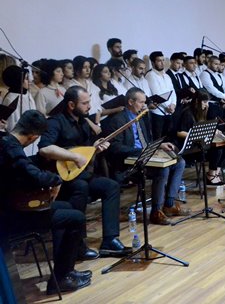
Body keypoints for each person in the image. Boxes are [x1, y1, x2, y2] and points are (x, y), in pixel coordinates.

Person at [0, 111, 92, 294]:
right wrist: (56, 179)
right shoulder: (12, 149)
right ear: (33, 137)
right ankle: (61, 279)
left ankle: (65, 272)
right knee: (76, 218)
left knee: (66, 208)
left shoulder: (5, 141)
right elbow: (32, 174)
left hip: (12, 207)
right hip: (12, 215)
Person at [38, 86, 131, 258]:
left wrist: (96, 148)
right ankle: (77, 245)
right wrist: (73, 157)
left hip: (83, 173)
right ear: (71, 105)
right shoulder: (55, 122)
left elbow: (86, 151)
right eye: (85, 103)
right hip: (63, 179)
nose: (89, 106)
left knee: (111, 186)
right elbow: (44, 148)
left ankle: (110, 241)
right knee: (80, 188)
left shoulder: (83, 122)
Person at [103, 87, 189, 225]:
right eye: (141, 102)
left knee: (179, 162)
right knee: (162, 169)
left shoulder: (142, 117)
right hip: (128, 162)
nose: (144, 105)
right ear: (130, 102)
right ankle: (156, 211)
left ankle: (169, 204)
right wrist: (141, 151)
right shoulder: (118, 120)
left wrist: (158, 146)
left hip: (146, 154)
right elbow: (115, 148)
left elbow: (146, 141)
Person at [175, 88, 225, 187]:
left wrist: (212, 131)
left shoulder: (202, 112)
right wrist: (197, 135)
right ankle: (211, 176)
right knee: (217, 150)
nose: (207, 105)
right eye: (204, 102)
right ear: (196, 101)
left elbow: (203, 130)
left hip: (200, 144)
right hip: (191, 148)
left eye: (207, 102)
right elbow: (180, 132)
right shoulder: (187, 113)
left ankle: (215, 172)